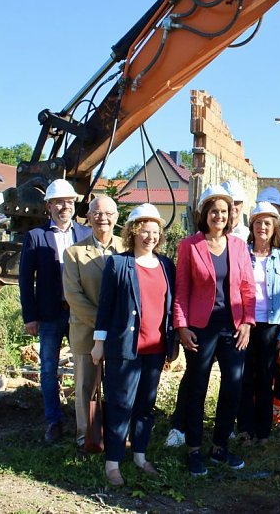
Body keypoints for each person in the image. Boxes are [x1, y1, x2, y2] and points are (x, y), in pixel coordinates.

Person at [173, 184, 255, 476]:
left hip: (233, 328)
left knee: (233, 386)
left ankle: (220, 447)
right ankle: (194, 449)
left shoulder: (238, 246)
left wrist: (247, 322)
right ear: (204, 214)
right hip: (200, 328)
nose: (218, 216)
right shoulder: (189, 246)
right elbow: (181, 291)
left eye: (224, 211)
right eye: (213, 211)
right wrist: (181, 326)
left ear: (230, 215)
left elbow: (247, 287)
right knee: (197, 387)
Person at [91, 203, 176, 486]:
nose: (150, 237)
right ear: (133, 232)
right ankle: (113, 463)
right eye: (144, 231)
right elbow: (105, 307)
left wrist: (172, 343)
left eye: (155, 232)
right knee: (120, 405)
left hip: (155, 348)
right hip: (125, 348)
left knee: (145, 407)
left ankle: (139, 456)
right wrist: (99, 343)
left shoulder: (166, 265)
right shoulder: (118, 264)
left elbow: (170, 306)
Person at [18, 179, 91, 444]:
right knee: (48, 369)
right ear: (49, 206)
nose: (64, 206)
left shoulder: (85, 234)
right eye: (59, 202)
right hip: (49, 314)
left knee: (86, 366)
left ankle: (86, 421)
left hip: (79, 314)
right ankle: (54, 421)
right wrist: (30, 316)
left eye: (69, 202)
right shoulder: (36, 237)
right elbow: (26, 279)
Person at [62, 195, 125, 453]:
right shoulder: (74, 252)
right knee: (86, 386)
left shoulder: (126, 248)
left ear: (117, 217)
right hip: (86, 330)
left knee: (118, 387)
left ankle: (114, 436)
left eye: (108, 213)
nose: (103, 218)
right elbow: (73, 295)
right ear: (88, 217)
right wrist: (102, 322)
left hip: (120, 332)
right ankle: (86, 438)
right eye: (97, 213)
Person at [236, 201, 280, 444]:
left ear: (275, 228)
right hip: (245, 324)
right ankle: (244, 430)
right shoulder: (241, 253)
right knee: (243, 377)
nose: (262, 227)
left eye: (268, 223)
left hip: (271, 325)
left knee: (265, 378)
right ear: (252, 226)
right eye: (259, 222)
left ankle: (262, 432)